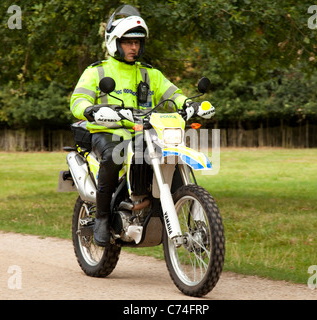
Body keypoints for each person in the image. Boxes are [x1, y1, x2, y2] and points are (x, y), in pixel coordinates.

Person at [69, 5, 215, 246]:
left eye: (137, 42)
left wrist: (191, 105)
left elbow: (175, 95)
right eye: (128, 42)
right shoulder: (97, 71)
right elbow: (78, 100)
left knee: (168, 155)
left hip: (143, 132)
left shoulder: (150, 74)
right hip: (107, 131)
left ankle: (164, 206)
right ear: (115, 42)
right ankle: (103, 219)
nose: (134, 47)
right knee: (113, 155)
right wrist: (91, 109)